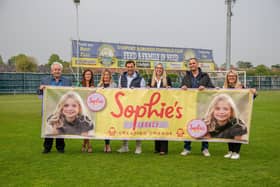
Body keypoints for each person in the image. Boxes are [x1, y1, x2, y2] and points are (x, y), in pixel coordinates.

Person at [180, 57, 214, 157]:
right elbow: (180, 89)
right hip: (190, 106)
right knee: (189, 125)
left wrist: (206, 88)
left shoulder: (205, 76)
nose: (192, 65)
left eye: (193, 63)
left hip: (203, 106)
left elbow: (212, 89)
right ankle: (187, 148)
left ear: (198, 64)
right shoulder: (186, 77)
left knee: (204, 126)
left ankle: (205, 148)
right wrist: (182, 87)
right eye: (190, 64)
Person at [222, 69, 257, 159]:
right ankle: (230, 151)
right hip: (228, 114)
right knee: (229, 133)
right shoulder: (224, 87)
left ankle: (236, 152)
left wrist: (254, 92)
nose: (231, 78)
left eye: (233, 76)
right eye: (229, 76)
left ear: (236, 77)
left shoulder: (241, 87)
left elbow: (251, 96)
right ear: (227, 78)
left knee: (237, 132)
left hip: (239, 113)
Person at [39, 62, 72, 154]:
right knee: (49, 128)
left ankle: (60, 147)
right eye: (55, 70)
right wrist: (40, 89)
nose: (57, 71)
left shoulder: (67, 81)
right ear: (51, 71)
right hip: (49, 109)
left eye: (58, 70)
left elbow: (71, 94)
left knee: (61, 127)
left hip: (63, 109)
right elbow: (39, 94)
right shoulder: (44, 80)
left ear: (61, 71)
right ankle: (47, 147)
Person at [117, 60, 146, 154]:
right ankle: (125, 146)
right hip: (124, 106)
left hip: (136, 106)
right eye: (128, 67)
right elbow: (118, 90)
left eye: (131, 67)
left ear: (134, 67)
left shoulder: (140, 79)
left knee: (137, 126)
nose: (129, 68)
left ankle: (138, 147)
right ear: (126, 67)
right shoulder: (121, 77)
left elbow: (143, 93)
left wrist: (136, 91)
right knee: (124, 125)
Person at [147, 63, 172, 155]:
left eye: (161, 68)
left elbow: (172, 92)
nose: (159, 69)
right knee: (156, 126)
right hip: (154, 107)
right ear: (155, 69)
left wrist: (169, 88)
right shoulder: (151, 79)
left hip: (164, 107)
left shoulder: (167, 79)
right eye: (157, 68)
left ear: (163, 70)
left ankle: (163, 149)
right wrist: (148, 88)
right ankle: (157, 148)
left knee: (164, 127)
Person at [97, 69, 117, 153]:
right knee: (104, 127)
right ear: (103, 76)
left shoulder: (114, 85)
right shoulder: (99, 85)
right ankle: (105, 144)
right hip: (102, 109)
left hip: (111, 108)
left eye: (107, 75)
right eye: (104, 75)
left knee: (109, 126)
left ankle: (108, 145)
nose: (106, 76)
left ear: (110, 76)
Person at [80, 69, 95, 153]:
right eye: (86, 74)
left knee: (88, 126)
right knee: (84, 126)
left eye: (89, 74)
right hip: (82, 108)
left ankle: (84, 144)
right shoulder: (80, 84)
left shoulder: (93, 85)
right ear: (84, 75)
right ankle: (88, 145)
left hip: (90, 109)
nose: (88, 76)